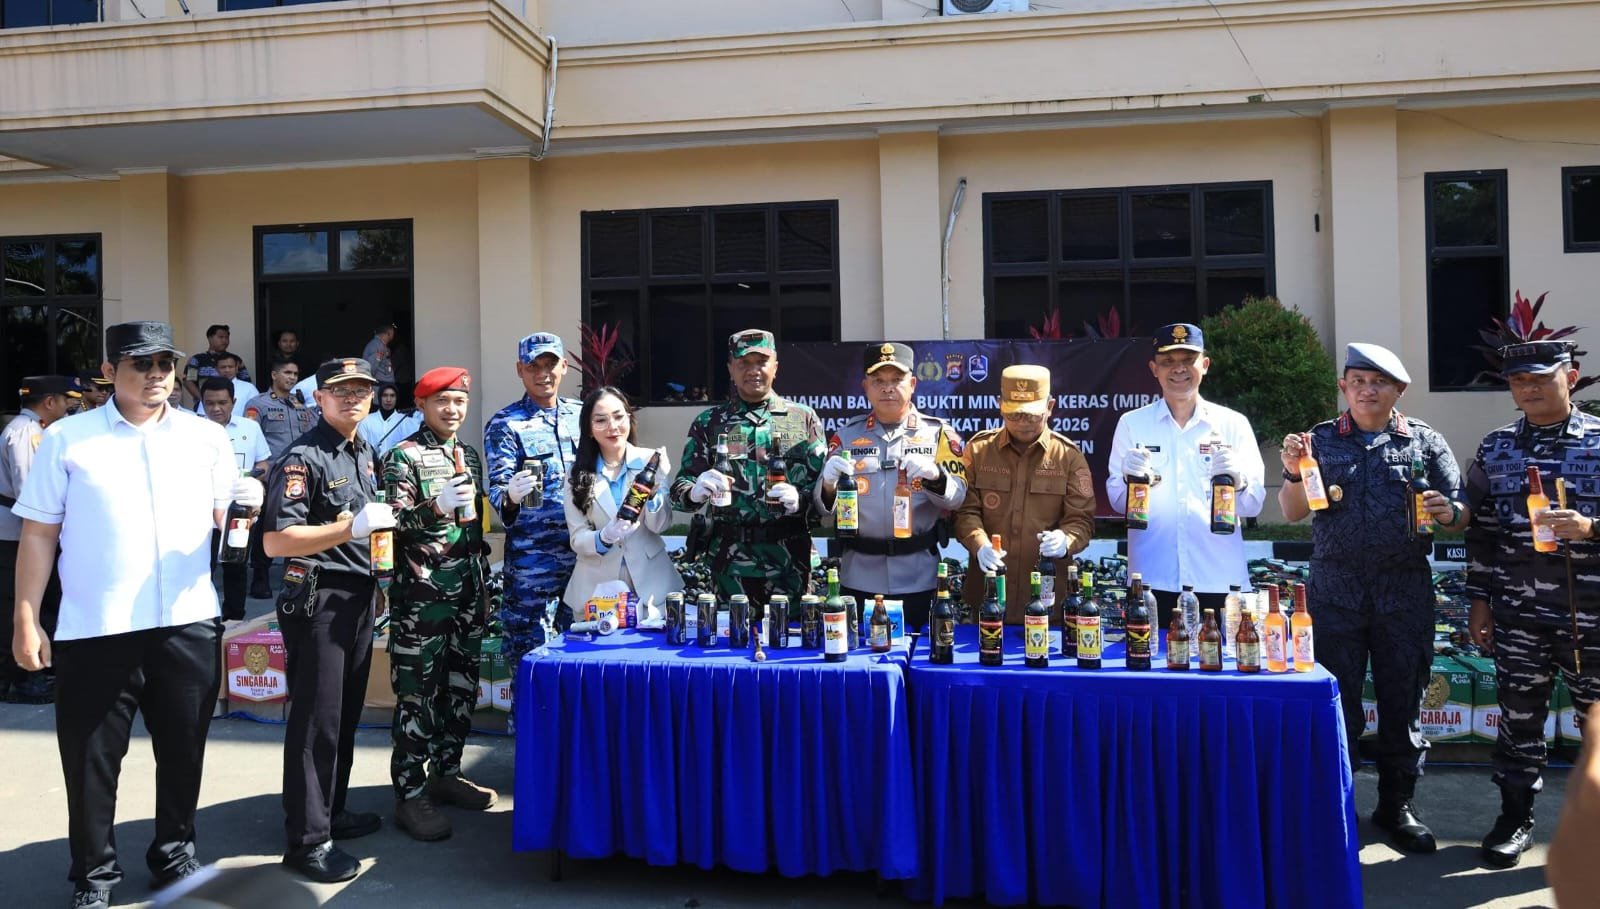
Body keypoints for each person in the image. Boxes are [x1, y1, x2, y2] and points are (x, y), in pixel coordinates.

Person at [11, 322, 254, 909]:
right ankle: (94, 875)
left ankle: (174, 853)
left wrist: (246, 509)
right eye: (141, 364)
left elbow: (228, 521)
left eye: (164, 365)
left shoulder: (204, 437)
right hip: (97, 626)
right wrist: (26, 617)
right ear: (109, 370)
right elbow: (39, 534)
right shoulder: (68, 439)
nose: (155, 376)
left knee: (184, 750)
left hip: (187, 621)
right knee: (90, 759)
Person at [1279, 342, 1468, 855]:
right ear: (1344, 386)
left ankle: (1397, 805)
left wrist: (1449, 513)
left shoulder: (1424, 441)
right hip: (1335, 593)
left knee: (1402, 702)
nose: (1368, 389)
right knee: (1336, 705)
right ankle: (1336, 805)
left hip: (1403, 591)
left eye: (1379, 381)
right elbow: (1293, 511)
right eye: (1358, 380)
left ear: (1398, 390)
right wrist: (1294, 471)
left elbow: (1460, 508)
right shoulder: (1319, 440)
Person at [1464, 339, 1600, 869]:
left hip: (1592, 615)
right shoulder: (1496, 446)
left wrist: (1591, 527)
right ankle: (1514, 819)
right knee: (1519, 721)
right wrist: (1479, 601)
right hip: (1519, 613)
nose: (1530, 388)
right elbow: (1481, 532)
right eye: (1520, 381)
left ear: (1571, 376)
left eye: (1542, 377)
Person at [261, 357, 396, 884]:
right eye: (341, 390)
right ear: (319, 398)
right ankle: (307, 839)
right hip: (318, 598)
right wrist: (347, 529)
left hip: (357, 595)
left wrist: (378, 581)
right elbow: (277, 541)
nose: (353, 398)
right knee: (317, 719)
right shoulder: (303, 458)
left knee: (344, 714)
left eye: (362, 389)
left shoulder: (364, 450)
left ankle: (331, 812)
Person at [381, 367, 497, 842]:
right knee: (419, 696)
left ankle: (447, 772)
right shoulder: (403, 456)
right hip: (422, 600)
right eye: (442, 401)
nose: (452, 409)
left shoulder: (469, 455)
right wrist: (437, 506)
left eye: (459, 401)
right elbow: (390, 525)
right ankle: (410, 795)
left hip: (466, 592)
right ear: (423, 405)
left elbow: (473, 528)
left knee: (460, 689)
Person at [1106, 323, 1267, 626]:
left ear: (1204, 365)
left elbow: (1254, 504)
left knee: (1224, 656)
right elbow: (1117, 502)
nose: (1178, 369)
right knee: (1149, 656)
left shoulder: (1233, 424)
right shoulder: (1132, 424)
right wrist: (1130, 482)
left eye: (1188, 360)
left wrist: (1239, 482)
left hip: (1221, 580)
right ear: (1154, 369)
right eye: (1168, 361)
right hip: (1152, 580)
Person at [813, 343, 967, 629]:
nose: (887, 388)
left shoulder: (939, 435)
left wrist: (935, 476)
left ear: (913, 384)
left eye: (896, 380)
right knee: (859, 652)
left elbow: (957, 498)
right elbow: (823, 507)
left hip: (919, 576)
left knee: (922, 650)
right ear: (865, 387)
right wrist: (830, 483)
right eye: (878, 381)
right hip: (859, 575)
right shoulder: (846, 436)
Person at [669, 329, 826, 608]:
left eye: (761, 362)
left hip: (791, 562)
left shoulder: (803, 419)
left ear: (775, 366)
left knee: (790, 633)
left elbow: (825, 495)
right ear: (731, 369)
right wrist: (694, 492)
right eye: (744, 363)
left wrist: (801, 500)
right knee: (731, 634)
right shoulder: (710, 422)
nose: (753, 370)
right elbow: (679, 489)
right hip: (730, 565)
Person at [953, 364, 1095, 622]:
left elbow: (1081, 520)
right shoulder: (978, 451)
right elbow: (965, 511)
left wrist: (1065, 540)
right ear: (1000, 405)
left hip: (1049, 600)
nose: (1023, 422)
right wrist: (979, 544)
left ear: (1050, 407)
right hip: (989, 596)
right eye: (1014, 414)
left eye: (1032, 415)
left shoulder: (1068, 457)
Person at [484, 332, 581, 700]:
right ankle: (528, 735)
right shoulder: (505, 423)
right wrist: (510, 496)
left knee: (581, 657)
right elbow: (497, 491)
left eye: (550, 365)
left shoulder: (583, 415)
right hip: (533, 565)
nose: (543, 374)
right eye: (533, 366)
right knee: (530, 663)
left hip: (584, 559)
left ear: (564, 366)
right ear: (519, 370)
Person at [563, 386, 682, 611]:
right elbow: (577, 538)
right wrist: (603, 537)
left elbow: (660, 525)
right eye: (601, 420)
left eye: (619, 417)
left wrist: (655, 489)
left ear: (629, 419)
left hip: (653, 587)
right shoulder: (576, 473)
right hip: (597, 591)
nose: (612, 426)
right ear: (589, 429)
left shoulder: (651, 461)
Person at [1, 375, 80, 703]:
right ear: (49, 402)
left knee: (40, 601)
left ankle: (29, 673)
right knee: (18, 604)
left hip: (22, 531)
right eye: (65, 400)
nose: (69, 406)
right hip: (16, 533)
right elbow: (29, 492)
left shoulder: (34, 429)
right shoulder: (26, 432)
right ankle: (24, 680)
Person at [245, 359, 320, 599]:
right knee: (264, 527)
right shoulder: (258, 404)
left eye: (295, 373)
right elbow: (251, 438)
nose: (292, 377)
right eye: (287, 372)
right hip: (271, 476)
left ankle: (293, 578)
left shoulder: (302, 406)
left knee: (296, 526)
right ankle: (260, 577)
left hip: (298, 477)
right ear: (274, 375)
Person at [200, 377, 272, 620]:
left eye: (222, 403)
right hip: (201, 513)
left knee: (236, 567)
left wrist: (254, 481)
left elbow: (264, 462)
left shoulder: (250, 428)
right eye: (209, 403)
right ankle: (203, 621)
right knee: (203, 569)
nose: (216, 408)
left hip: (239, 512)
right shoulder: (192, 430)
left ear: (234, 401)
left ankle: (234, 619)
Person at [183, 323, 250, 401]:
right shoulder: (197, 359)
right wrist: (203, 400)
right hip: (204, 404)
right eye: (221, 337)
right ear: (210, 338)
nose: (224, 340)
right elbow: (188, 381)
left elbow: (246, 382)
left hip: (231, 403)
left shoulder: (236, 359)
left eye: (227, 338)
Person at [358, 383, 421, 458]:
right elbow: (361, 447)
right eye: (385, 395)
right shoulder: (366, 420)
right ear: (380, 398)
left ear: (396, 398)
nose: (388, 399)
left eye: (392, 396)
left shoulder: (407, 422)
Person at [193, 353, 257, 421]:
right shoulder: (209, 388)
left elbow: (255, 411)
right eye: (223, 367)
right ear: (216, 369)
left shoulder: (249, 388)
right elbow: (201, 415)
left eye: (230, 367)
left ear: (236, 368)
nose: (227, 370)